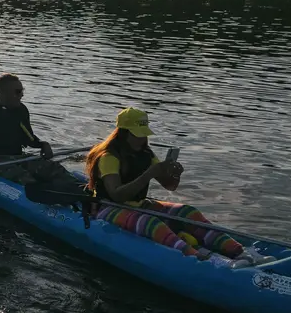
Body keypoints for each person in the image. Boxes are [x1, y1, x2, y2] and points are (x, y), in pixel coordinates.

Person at [85, 107, 270, 266]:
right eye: (137, 135)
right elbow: (116, 195)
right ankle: (201, 259)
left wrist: (175, 175)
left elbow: (170, 186)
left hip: (138, 205)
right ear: (124, 133)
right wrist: (150, 173)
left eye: (143, 134)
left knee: (189, 212)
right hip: (108, 207)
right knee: (150, 222)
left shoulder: (146, 155)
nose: (142, 139)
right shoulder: (109, 157)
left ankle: (239, 252)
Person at [0, 73, 74, 189]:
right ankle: (40, 197)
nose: (21, 95)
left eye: (22, 91)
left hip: (19, 157)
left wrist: (42, 144)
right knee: (26, 180)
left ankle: (81, 192)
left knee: (56, 169)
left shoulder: (21, 111)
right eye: (17, 92)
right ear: (2, 93)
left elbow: (29, 139)